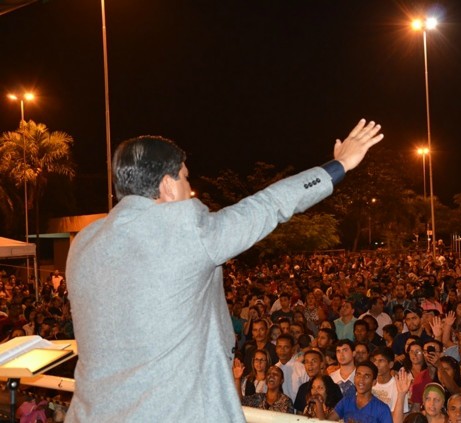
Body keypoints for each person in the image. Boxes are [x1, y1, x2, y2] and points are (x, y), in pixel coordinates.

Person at [65, 120, 383, 421]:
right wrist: (339, 165)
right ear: (166, 185)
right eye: (185, 177)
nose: (189, 188)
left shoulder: (84, 244)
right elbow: (268, 205)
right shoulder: (185, 229)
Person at [325, 361, 393, 422]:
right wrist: (319, 404)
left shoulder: (382, 409)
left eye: (366, 376)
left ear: (374, 382)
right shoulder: (346, 401)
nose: (361, 379)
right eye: (358, 375)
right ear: (354, 378)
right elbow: (327, 421)